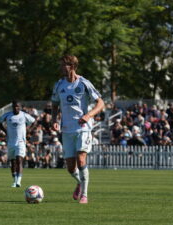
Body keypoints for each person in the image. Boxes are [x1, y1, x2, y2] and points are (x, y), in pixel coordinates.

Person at [51, 55, 104, 204]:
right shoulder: (59, 85)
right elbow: (54, 104)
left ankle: (85, 195)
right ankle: (80, 182)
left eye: (63, 65)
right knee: (70, 167)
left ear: (72, 66)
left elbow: (100, 103)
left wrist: (88, 115)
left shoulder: (84, 83)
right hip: (66, 129)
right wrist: (54, 120)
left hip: (83, 128)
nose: (61, 68)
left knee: (81, 160)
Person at [0, 100, 36, 188]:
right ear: (12, 107)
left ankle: (19, 181)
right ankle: (14, 181)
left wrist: (29, 130)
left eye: (18, 106)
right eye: (14, 106)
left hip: (21, 142)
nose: (16, 108)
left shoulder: (24, 115)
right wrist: (5, 130)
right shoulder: (7, 115)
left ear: (20, 107)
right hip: (11, 142)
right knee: (13, 162)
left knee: (19, 160)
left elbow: (34, 121)